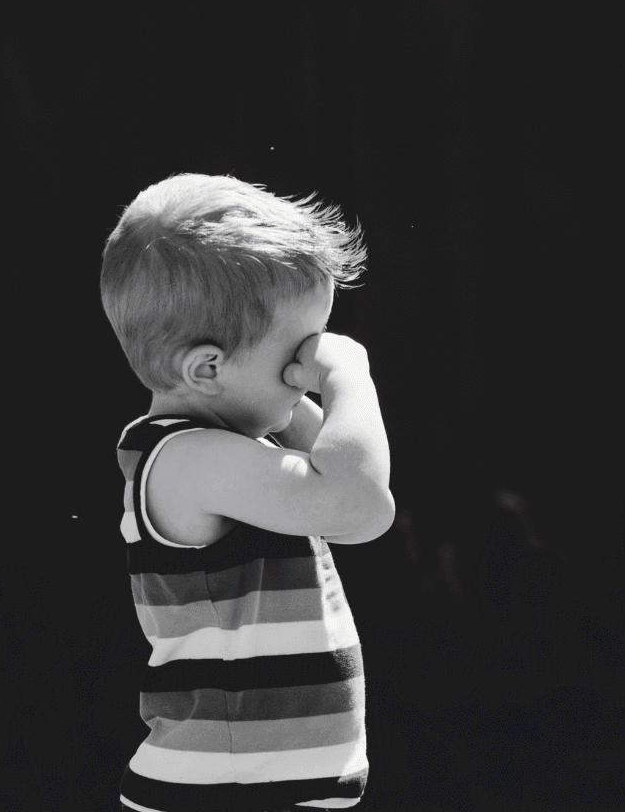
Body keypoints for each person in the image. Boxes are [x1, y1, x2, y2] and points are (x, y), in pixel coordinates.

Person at [100, 174, 394, 812]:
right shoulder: (188, 460)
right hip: (224, 788)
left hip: (253, 784)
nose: (307, 371)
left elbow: (364, 512)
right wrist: (352, 372)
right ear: (207, 369)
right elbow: (358, 503)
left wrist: (286, 401)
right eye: (297, 354)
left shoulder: (236, 442)